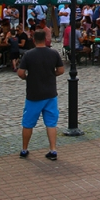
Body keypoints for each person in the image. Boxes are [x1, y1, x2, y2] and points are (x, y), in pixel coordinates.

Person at [17, 30, 65, 160]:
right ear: (45, 39)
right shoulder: (53, 53)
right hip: (50, 93)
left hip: (34, 93)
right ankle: (53, 149)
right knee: (51, 123)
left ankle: (24, 149)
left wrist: (27, 78)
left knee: (28, 123)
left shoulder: (28, 55)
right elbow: (61, 70)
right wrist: (51, 75)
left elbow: (20, 73)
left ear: (33, 40)